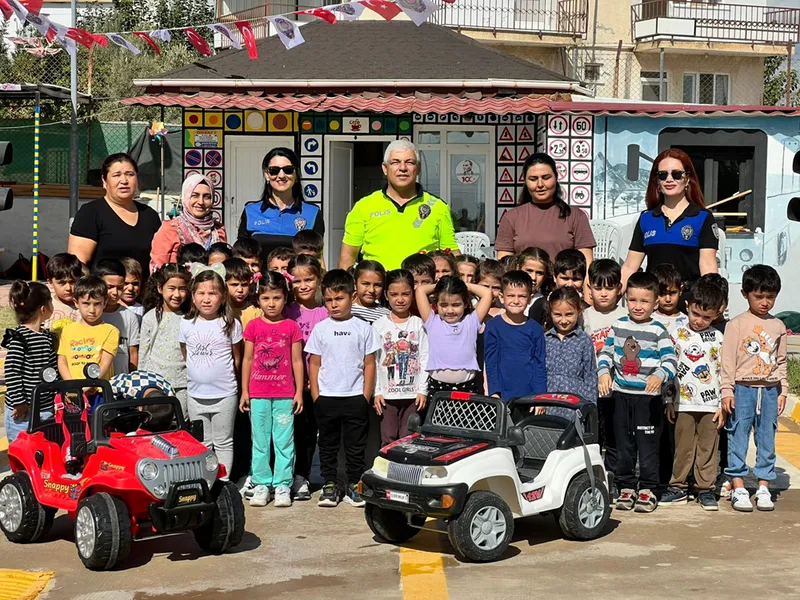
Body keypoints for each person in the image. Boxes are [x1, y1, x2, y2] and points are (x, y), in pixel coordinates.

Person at [597, 272, 677, 513]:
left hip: (648, 401)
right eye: (633, 300)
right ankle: (626, 486)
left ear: (655, 303)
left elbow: (671, 360)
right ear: (625, 300)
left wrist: (659, 375)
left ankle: (649, 488)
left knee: (648, 446)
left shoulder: (658, 330)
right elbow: (606, 353)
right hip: (621, 396)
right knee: (623, 444)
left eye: (644, 301)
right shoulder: (619, 325)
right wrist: (603, 373)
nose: (638, 306)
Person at [306, 270, 381, 508]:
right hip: (326, 398)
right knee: (327, 445)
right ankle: (330, 484)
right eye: (328, 300)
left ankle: (354, 483)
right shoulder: (321, 328)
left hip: (355, 397)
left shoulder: (363, 328)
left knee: (355, 445)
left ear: (353, 296)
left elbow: (370, 364)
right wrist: (317, 397)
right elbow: (314, 364)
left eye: (339, 299)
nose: (333, 305)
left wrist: (365, 395)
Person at [721, 265, 787, 512]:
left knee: (766, 438)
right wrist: (727, 391)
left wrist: (783, 391)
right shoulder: (736, 325)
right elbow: (727, 361)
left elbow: (781, 361)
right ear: (745, 293)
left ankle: (763, 487)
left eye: (770, 297)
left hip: (770, 391)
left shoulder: (778, 325)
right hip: (742, 389)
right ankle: (738, 486)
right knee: (737, 436)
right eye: (759, 296)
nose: (765, 302)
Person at [339, 140, 459, 271]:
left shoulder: (438, 207)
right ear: (385, 168)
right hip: (378, 287)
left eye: (409, 162)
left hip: (421, 287)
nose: (403, 168)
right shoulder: (363, 206)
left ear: (418, 168)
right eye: (395, 162)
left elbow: (452, 254)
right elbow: (348, 257)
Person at [240, 271, 304, 508]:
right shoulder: (253, 327)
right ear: (258, 298)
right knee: (260, 441)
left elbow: (297, 361)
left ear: (285, 297)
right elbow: (247, 360)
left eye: (276, 298)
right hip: (258, 395)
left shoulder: (291, 327)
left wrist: (298, 392)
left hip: (285, 396)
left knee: (284, 441)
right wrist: (245, 391)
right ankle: (261, 484)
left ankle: (283, 485)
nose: (271, 303)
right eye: (266, 298)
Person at [661, 278, 725, 511]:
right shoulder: (674, 334)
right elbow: (667, 370)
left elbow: (724, 372)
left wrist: (723, 405)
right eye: (696, 314)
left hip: (712, 406)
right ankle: (677, 487)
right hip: (682, 403)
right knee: (683, 447)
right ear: (687, 305)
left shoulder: (719, 338)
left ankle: (705, 489)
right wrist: (668, 401)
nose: (699, 321)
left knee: (708, 449)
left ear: (717, 314)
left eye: (706, 317)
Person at [621, 148, 718, 292]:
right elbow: (630, 266)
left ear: (687, 179)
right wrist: (612, 298)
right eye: (662, 175)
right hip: (653, 302)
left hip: (689, 301)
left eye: (677, 174)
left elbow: (708, 265)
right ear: (657, 181)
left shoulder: (703, 217)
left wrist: (711, 300)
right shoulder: (646, 218)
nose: (669, 179)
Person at [179, 264, 243, 480]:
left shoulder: (230, 323)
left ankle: (223, 483)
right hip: (196, 395)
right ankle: (205, 481)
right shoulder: (186, 324)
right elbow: (185, 353)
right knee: (202, 442)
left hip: (225, 394)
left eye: (212, 293)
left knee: (224, 441)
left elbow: (237, 358)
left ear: (223, 297)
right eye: (201, 293)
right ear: (193, 296)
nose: (206, 299)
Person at [495, 153, 595, 266]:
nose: (540, 184)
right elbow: (504, 264)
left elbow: (586, 263)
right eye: (533, 179)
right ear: (525, 181)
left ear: (556, 177)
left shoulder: (575, 216)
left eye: (546, 178)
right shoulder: (511, 217)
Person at [68, 153, 161, 269]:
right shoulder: (90, 213)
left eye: (130, 174)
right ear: (104, 181)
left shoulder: (150, 215)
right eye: (116, 175)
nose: (124, 180)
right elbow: (78, 264)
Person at [285, 254, 328, 501]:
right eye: (297, 280)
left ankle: (302, 475)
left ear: (319, 280)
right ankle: (284, 476)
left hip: (315, 384)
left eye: (309, 279)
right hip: (286, 384)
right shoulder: (285, 309)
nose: (303, 285)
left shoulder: (325, 312)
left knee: (309, 431)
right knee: (286, 433)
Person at [373, 269, 429, 445]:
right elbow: (374, 361)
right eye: (394, 294)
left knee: (409, 438)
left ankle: (405, 471)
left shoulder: (419, 324)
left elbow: (425, 357)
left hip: (412, 394)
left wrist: (422, 390)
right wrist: (377, 392)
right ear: (386, 295)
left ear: (413, 294)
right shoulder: (379, 325)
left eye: (405, 294)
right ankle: (386, 471)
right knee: (388, 438)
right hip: (387, 396)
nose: (400, 299)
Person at [583, 259, 627, 486]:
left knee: (615, 436)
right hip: (592, 387)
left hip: (619, 387)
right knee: (594, 436)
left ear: (619, 288)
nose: (603, 294)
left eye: (609, 288)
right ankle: (593, 479)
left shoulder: (626, 316)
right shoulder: (584, 316)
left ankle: (614, 478)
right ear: (589, 287)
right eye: (598, 287)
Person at [238, 147, 324, 259]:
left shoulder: (313, 212)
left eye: (288, 170)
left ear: (296, 174)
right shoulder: (250, 211)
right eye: (274, 170)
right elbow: (241, 257)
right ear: (267, 175)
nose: (281, 175)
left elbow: (318, 257)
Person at [416, 276, 493, 395]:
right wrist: (443, 286)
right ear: (436, 305)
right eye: (444, 305)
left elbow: (487, 293)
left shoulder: (471, 321)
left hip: (467, 387)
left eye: (456, 305)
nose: (450, 310)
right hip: (438, 387)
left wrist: (461, 285)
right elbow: (420, 291)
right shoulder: (432, 321)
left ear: (466, 304)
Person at [2, 281, 57, 441]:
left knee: (44, 451)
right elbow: (12, 372)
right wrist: (19, 402)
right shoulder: (20, 338)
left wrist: (58, 392)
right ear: (43, 308)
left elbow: (52, 369)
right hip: (22, 412)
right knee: (23, 453)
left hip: (46, 409)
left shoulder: (46, 337)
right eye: (51, 301)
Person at [483, 271, 546, 402]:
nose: (516, 301)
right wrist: (494, 392)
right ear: (501, 297)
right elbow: (491, 362)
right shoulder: (493, 326)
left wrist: (540, 396)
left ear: (529, 298)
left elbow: (539, 364)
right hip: (502, 395)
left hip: (529, 396)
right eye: (511, 295)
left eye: (522, 296)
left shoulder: (536, 329)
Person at [139, 264, 191, 417]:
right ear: (160, 288)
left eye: (182, 289)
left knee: (181, 423)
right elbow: (144, 352)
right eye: (172, 288)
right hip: (156, 384)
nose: (177, 294)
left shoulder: (189, 318)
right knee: (156, 423)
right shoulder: (150, 317)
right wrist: (143, 385)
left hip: (182, 383)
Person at [150, 173, 226, 269]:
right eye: (195, 195)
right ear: (186, 197)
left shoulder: (218, 230)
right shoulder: (170, 229)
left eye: (207, 196)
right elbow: (158, 268)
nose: (201, 202)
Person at [57, 276, 118, 381]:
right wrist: (72, 386)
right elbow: (62, 362)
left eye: (97, 304)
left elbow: (105, 364)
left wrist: (87, 387)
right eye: (86, 303)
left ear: (105, 303)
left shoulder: (111, 331)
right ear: (76, 302)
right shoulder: (68, 330)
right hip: (73, 390)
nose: (92, 310)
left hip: (99, 390)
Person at [544, 287, 597, 407]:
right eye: (557, 315)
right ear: (550, 312)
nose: (563, 320)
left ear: (579, 311)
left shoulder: (584, 340)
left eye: (569, 314)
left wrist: (589, 407)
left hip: (574, 403)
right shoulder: (544, 339)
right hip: (547, 402)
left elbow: (590, 376)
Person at [94, 259, 140, 375]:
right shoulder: (90, 315)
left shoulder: (130, 317)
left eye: (120, 287)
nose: (115, 292)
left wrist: (132, 377)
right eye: (109, 287)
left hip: (121, 383)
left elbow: (133, 353)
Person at [529, 249, 587, 326]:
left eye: (576, 279)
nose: (570, 284)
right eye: (565, 278)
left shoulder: (586, 310)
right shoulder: (541, 305)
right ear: (555, 277)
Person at [45, 252, 82, 341]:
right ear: (50, 282)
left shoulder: (86, 305)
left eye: (73, 282)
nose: (68, 288)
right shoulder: (46, 306)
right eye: (62, 283)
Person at [653, 264, 689, 333]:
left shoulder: (687, 321)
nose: (668, 299)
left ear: (681, 290)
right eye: (662, 294)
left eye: (672, 293)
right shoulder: (649, 320)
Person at [223, 258, 253, 323]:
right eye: (234, 285)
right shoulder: (218, 311)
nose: (240, 290)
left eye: (244, 285)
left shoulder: (255, 312)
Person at [121, 257, 144, 322]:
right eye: (125, 283)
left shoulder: (143, 310)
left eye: (135, 283)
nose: (130, 288)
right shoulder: (108, 308)